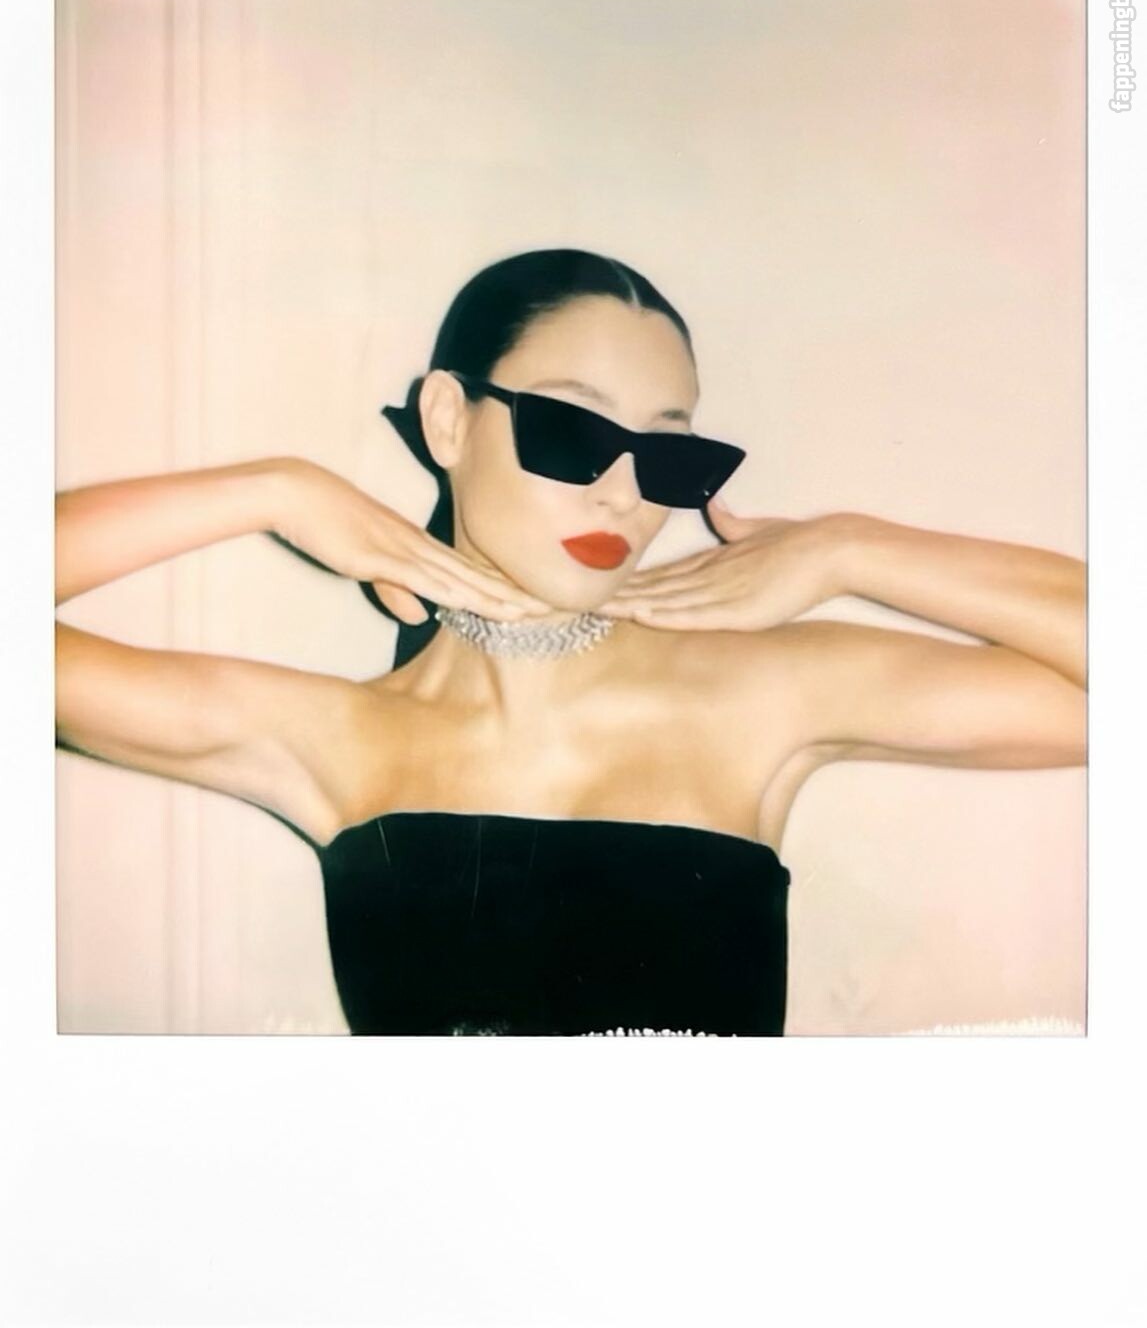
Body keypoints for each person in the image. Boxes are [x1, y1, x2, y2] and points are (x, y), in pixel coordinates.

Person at [54, 248, 1087, 1036]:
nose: (623, 493)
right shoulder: (334, 736)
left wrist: (851, 549)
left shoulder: (761, 693)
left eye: (668, 453)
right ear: (448, 420)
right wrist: (272, 490)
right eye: (572, 431)